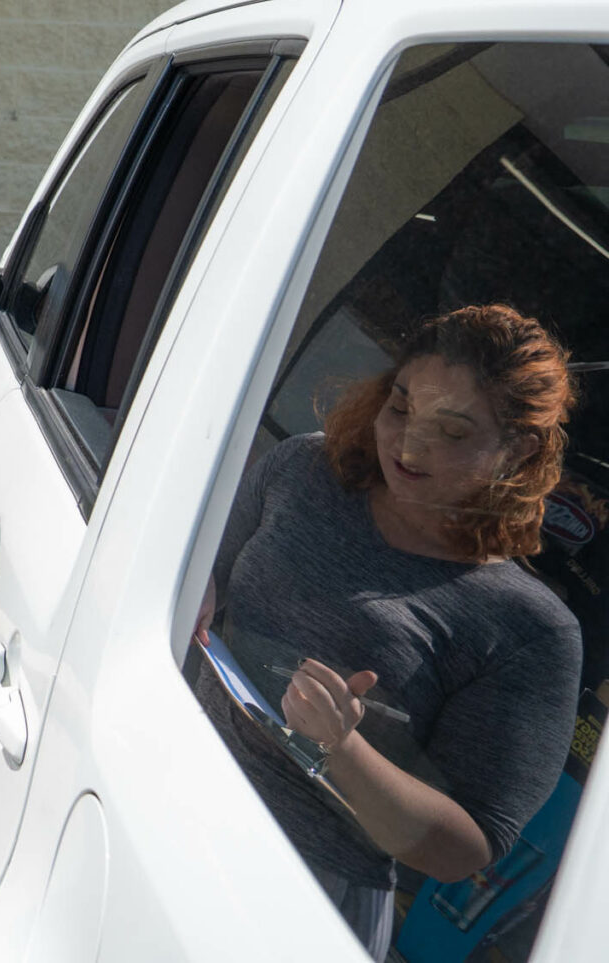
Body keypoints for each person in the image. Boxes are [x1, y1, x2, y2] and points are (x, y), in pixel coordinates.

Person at [197, 305, 584, 958]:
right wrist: (193, 585)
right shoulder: (301, 467)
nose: (407, 445)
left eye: (452, 430)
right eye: (401, 405)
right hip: (176, 775)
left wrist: (343, 748)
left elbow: (465, 847)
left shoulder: (534, 630)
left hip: (297, 893)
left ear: (516, 450)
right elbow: (203, 576)